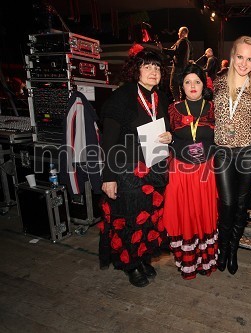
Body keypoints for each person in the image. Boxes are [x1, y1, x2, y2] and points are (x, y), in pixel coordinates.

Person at [99, 49, 173, 287]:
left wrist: (170, 136)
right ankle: (130, 264)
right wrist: (108, 176)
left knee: (147, 219)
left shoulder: (162, 97)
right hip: (127, 171)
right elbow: (108, 140)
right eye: (147, 66)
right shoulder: (123, 95)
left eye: (157, 67)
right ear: (136, 69)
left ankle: (141, 259)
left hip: (154, 170)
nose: (153, 71)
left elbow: (166, 129)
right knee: (130, 219)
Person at [213, 36, 251, 275]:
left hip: (247, 151)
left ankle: (233, 250)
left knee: (242, 205)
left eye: (249, 59)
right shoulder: (217, 82)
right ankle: (222, 248)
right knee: (227, 203)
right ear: (232, 56)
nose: (244, 63)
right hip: (223, 150)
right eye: (240, 57)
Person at [162, 64, 218, 279]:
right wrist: (167, 136)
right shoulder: (173, 109)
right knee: (185, 214)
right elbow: (165, 134)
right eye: (187, 82)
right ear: (181, 86)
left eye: (197, 81)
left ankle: (206, 261)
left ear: (203, 84)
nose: (192, 86)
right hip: (181, 170)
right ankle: (188, 262)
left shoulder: (213, 108)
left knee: (204, 213)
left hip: (206, 170)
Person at [169, 26, 193, 101]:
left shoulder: (182, 41)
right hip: (185, 68)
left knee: (173, 85)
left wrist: (162, 49)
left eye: (179, 32)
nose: (178, 33)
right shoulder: (189, 43)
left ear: (183, 33)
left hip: (178, 68)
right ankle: (183, 102)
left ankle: (177, 103)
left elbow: (174, 51)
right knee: (182, 87)